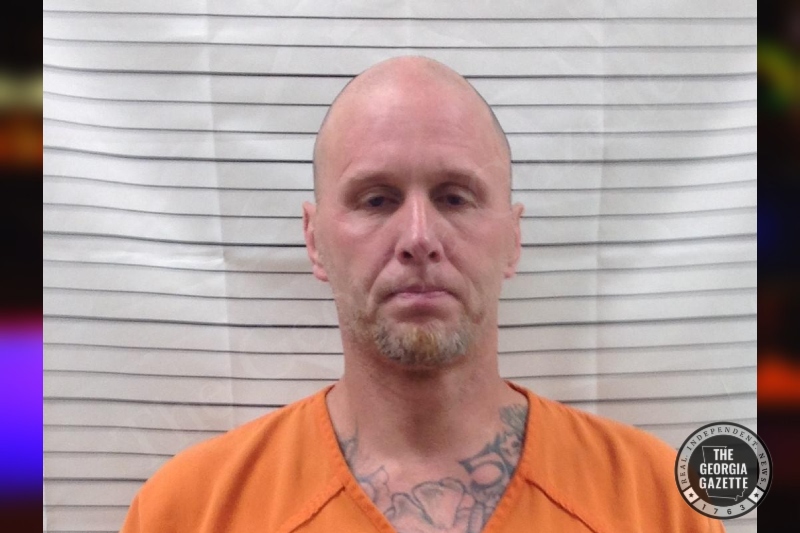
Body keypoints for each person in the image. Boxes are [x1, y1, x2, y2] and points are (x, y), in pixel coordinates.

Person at [120, 56, 725, 533]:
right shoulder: (189, 511)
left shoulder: (659, 503)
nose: (418, 238)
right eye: (376, 199)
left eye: (455, 197)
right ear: (314, 240)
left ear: (513, 239)